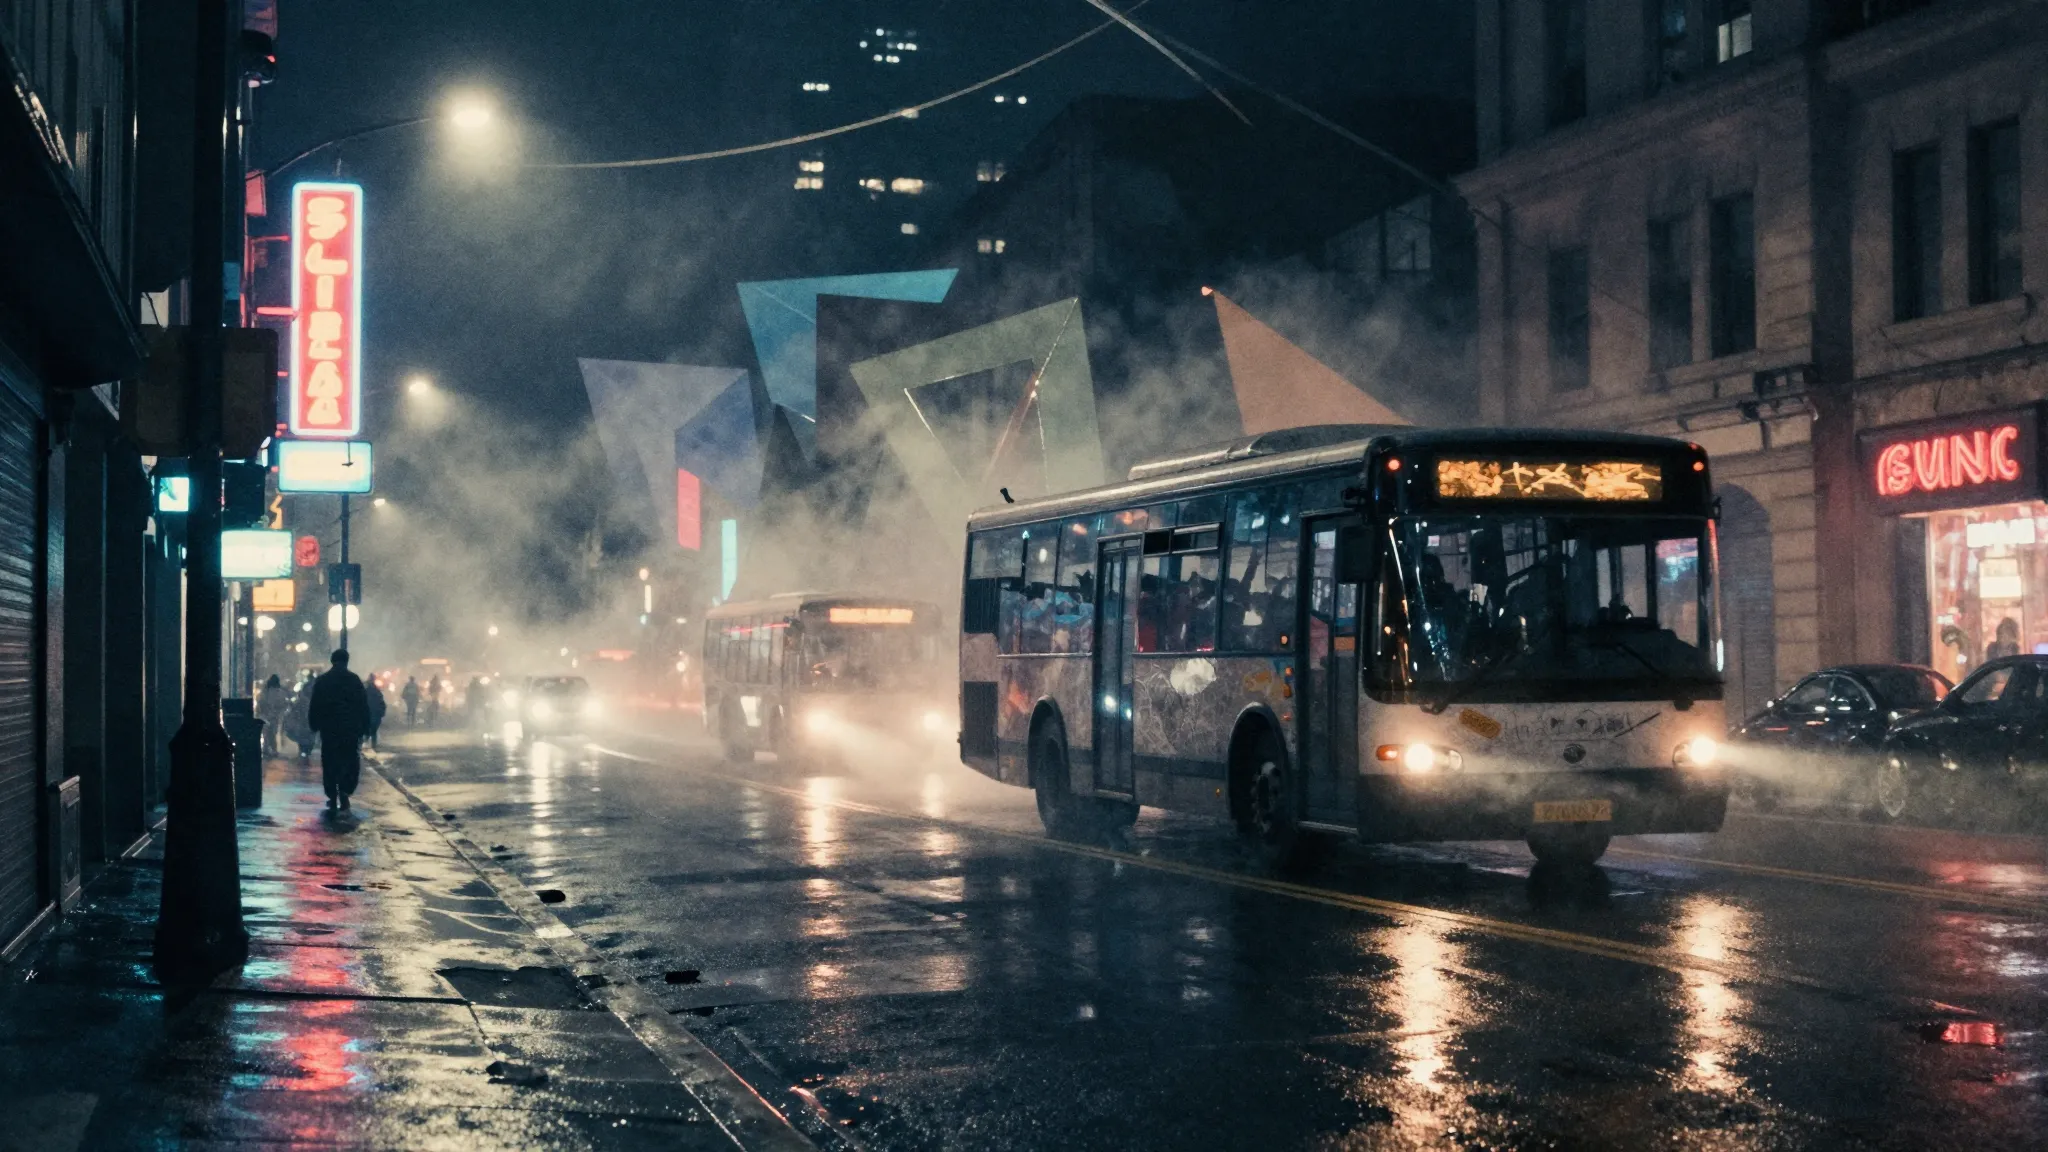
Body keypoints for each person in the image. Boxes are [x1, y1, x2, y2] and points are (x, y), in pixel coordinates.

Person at [309, 650, 372, 811]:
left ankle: (332, 793)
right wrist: (365, 726)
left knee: (330, 761)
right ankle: (345, 790)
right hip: (350, 729)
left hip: (329, 729)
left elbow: (315, 704)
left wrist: (314, 724)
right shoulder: (354, 680)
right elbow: (362, 705)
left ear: (332, 661)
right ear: (347, 661)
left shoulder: (323, 680)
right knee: (349, 761)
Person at [286, 675, 317, 764]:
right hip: (309, 721)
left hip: (304, 722)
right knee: (309, 738)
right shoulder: (313, 696)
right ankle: (305, 755)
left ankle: (304, 755)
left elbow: (296, 708)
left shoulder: (303, 699)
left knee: (303, 738)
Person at [256, 674, 288, 756]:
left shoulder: (265, 691)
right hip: (274, 716)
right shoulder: (280, 692)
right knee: (273, 733)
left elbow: (260, 702)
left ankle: (266, 749)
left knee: (266, 733)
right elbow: (283, 705)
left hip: (264, 716)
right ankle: (273, 749)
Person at [365, 674, 388, 751]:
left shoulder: (365, 690)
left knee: (368, 729)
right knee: (373, 730)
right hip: (374, 711)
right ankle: (373, 745)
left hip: (369, 711)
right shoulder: (376, 690)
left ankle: (366, 745)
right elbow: (381, 702)